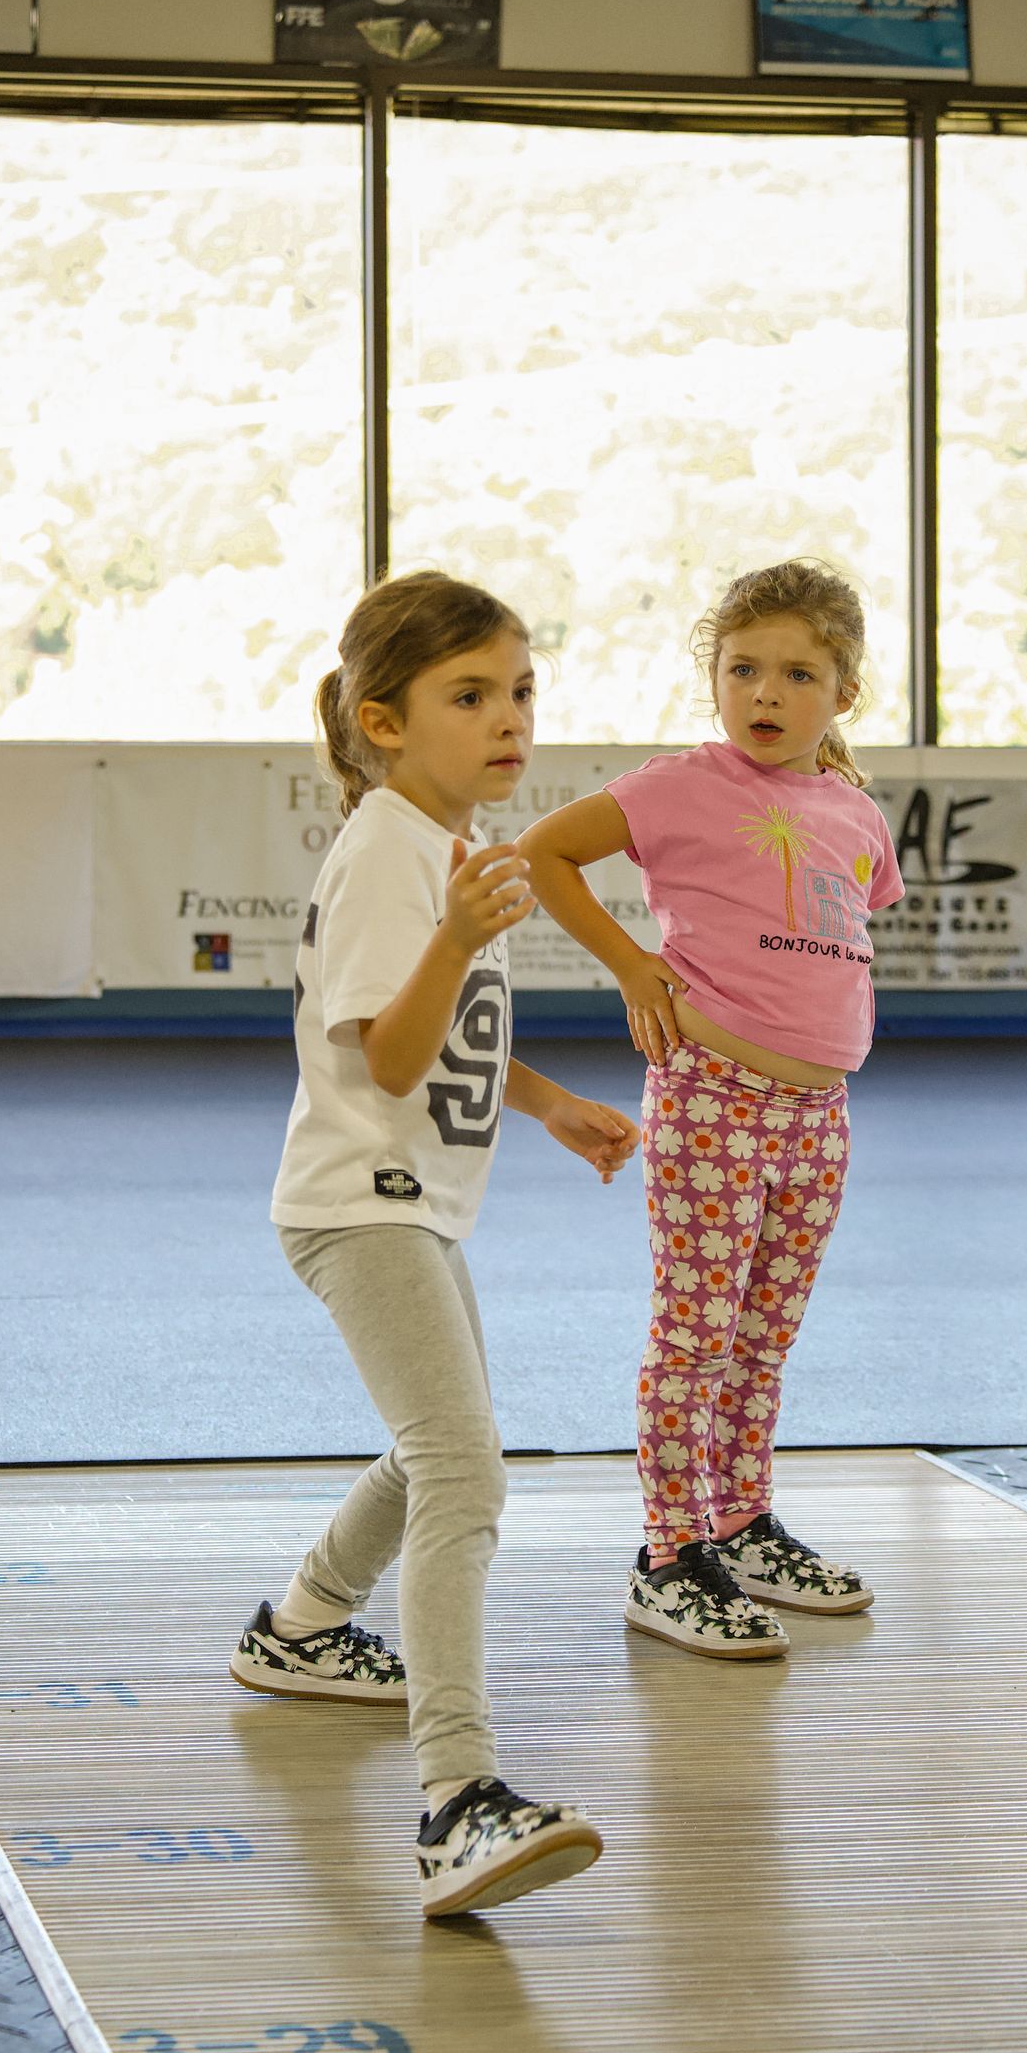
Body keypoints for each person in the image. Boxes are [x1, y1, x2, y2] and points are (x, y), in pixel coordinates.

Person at [231, 570, 638, 1919]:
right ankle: (457, 1799)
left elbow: (461, 1040)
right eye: (471, 695)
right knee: (465, 1468)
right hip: (362, 1203)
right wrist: (460, 934)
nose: (509, 718)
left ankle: (299, 1626)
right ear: (383, 720)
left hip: (408, 1199)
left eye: (520, 691)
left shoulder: (445, 846)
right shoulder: (390, 852)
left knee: (436, 1451)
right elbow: (395, 1053)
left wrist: (554, 1104)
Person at [520, 561, 904, 1661]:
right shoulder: (679, 787)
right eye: (743, 670)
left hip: (818, 1115)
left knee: (763, 1339)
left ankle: (738, 1522)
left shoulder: (855, 813)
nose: (765, 694)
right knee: (696, 1335)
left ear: (843, 692)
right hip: (713, 1100)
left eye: (796, 674)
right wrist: (634, 968)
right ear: (714, 679)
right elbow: (544, 852)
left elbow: (848, 928)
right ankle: (668, 1553)